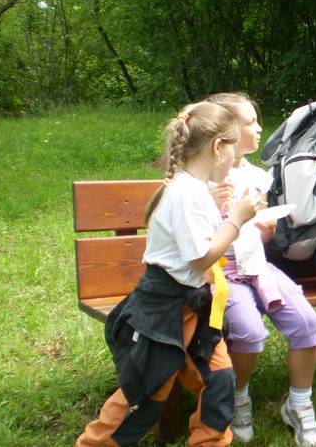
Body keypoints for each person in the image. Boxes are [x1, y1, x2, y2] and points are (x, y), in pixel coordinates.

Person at [75, 102, 260, 447]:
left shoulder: (197, 190)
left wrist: (225, 213)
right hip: (163, 310)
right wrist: (236, 219)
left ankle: (209, 441)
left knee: (219, 381)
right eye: (233, 146)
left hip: (194, 308)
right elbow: (200, 259)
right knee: (146, 395)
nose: (236, 157)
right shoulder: (184, 193)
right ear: (218, 147)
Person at [206, 93, 316, 447]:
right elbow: (191, 238)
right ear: (224, 132)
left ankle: (299, 403)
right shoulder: (200, 179)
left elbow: (262, 229)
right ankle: (237, 395)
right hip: (222, 272)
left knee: (307, 322)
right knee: (249, 332)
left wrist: (269, 228)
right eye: (250, 123)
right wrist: (213, 205)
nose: (259, 128)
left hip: (259, 268)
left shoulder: (257, 176)